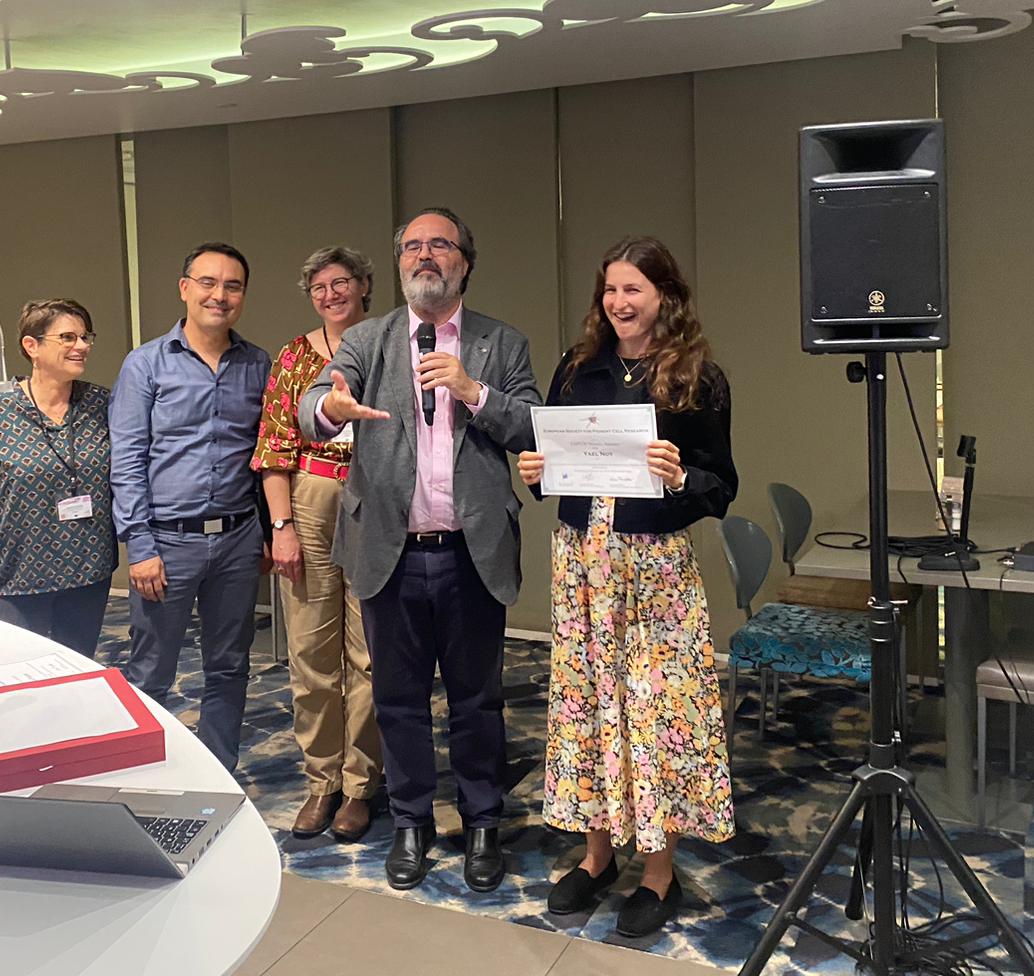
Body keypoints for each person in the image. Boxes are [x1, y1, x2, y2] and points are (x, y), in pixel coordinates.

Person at [296, 207, 541, 893]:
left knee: (477, 701)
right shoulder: (368, 340)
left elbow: (531, 425)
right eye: (412, 246)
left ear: (465, 260)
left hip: (471, 552)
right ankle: (410, 821)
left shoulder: (501, 342)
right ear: (399, 261)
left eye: (439, 245)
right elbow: (313, 405)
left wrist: (473, 391)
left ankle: (483, 820)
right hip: (389, 552)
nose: (424, 255)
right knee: (397, 701)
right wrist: (330, 410)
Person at [516, 236, 737, 938]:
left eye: (632, 289)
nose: (618, 302)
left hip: (654, 571)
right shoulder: (578, 367)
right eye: (610, 290)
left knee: (654, 712)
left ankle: (658, 871)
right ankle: (597, 856)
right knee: (587, 704)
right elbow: (555, 464)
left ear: (664, 296)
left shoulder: (698, 377)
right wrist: (535, 471)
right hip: (581, 562)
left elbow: (721, 486)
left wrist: (681, 475)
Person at [110, 243, 271, 773]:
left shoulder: (257, 364)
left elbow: (265, 454)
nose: (219, 295)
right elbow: (127, 460)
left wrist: (267, 533)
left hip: (238, 540)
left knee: (229, 667)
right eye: (208, 282)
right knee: (151, 670)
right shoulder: (146, 364)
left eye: (232, 286)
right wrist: (140, 546)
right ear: (184, 288)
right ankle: (146, 775)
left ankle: (219, 771)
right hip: (167, 543)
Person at [252, 246, 382, 843]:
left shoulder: (388, 346)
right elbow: (274, 446)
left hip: (377, 502)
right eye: (319, 287)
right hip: (311, 500)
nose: (331, 295)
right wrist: (281, 526)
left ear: (364, 286)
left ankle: (360, 784)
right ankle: (322, 779)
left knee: (370, 654)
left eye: (341, 282)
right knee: (310, 650)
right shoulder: (294, 357)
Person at [0, 299, 115, 658]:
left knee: (77, 671)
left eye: (86, 337)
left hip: (89, 572)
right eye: (68, 337)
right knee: (19, 674)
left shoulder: (101, 405)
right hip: (18, 579)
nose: (82, 346)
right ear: (32, 346)